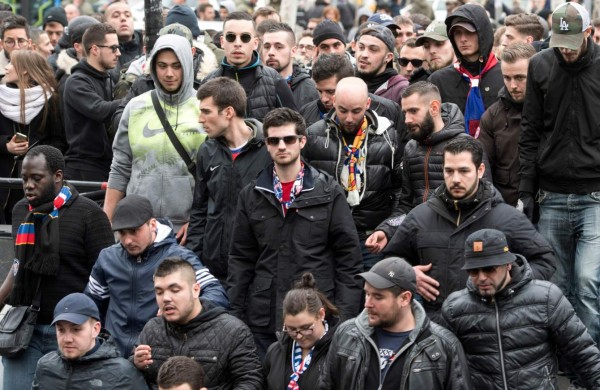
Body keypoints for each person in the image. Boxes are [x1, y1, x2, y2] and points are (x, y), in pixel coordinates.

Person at [228, 108, 363, 358]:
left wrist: (343, 318)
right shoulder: (251, 194)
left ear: (302, 141)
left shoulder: (328, 192)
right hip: (264, 317)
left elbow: (348, 260)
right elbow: (240, 259)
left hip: (315, 314)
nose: (282, 146)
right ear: (266, 144)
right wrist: (235, 316)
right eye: (274, 140)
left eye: (289, 139)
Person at [383, 137, 556, 322]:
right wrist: (407, 275)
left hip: (492, 328)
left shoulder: (507, 218)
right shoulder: (420, 217)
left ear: (480, 170)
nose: (455, 179)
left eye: (464, 171)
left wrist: (508, 283)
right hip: (437, 331)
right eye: (449, 171)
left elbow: (544, 260)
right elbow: (389, 262)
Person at [519, 1, 600, 352]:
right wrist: (526, 191)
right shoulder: (540, 65)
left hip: (595, 192)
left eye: (571, 45)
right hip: (550, 192)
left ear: (589, 34)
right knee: (556, 285)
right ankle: (564, 360)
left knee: (587, 282)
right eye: (559, 45)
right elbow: (530, 130)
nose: (565, 54)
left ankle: (590, 364)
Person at [0, 145, 114, 390]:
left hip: (71, 332)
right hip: (25, 331)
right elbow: (19, 265)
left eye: (36, 178)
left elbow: (108, 277)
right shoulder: (21, 210)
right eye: (24, 179)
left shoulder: (89, 214)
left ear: (58, 176)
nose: (28, 185)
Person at [442, 229, 600, 390]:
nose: (482, 277)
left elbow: (582, 354)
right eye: (474, 271)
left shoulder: (546, 298)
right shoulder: (455, 308)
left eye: (489, 269)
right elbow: (444, 370)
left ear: (508, 264)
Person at [86, 194, 228, 357]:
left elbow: (217, 294)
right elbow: (91, 304)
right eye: (122, 233)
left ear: (152, 224)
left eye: (134, 231)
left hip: (159, 355)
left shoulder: (179, 257)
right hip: (111, 356)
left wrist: (183, 310)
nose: (128, 240)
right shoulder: (107, 258)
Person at [105, 34, 206, 243]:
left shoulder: (204, 108)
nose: (169, 73)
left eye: (177, 66)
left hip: (185, 231)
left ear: (187, 64)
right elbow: (120, 167)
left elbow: (215, 176)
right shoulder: (135, 107)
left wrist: (198, 221)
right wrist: (108, 218)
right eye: (162, 65)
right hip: (137, 227)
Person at [319, 257, 473, 390]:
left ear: (404, 298)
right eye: (367, 294)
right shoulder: (346, 334)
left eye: (378, 297)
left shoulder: (443, 345)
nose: (367, 304)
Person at [303, 77, 402, 271]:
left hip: (371, 238)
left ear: (367, 104)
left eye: (356, 111)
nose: (349, 118)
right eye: (342, 110)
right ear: (334, 103)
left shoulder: (388, 136)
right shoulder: (313, 135)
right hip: (326, 238)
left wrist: (388, 228)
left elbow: (400, 191)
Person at [366, 81, 476, 249]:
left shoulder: (466, 145)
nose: (407, 119)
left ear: (434, 108)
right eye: (405, 112)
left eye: (414, 111)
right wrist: (387, 230)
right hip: (420, 241)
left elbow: (481, 201)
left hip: (456, 243)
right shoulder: (411, 148)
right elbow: (406, 205)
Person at [186, 77, 271, 284]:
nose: (200, 119)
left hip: (255, 270)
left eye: (206, 112)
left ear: (228, 112)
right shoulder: (207, 151)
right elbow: (199, 210)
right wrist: (193, 262)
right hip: (213, 268)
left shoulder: (269, 150)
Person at [132, 258, 264, 389]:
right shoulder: (152, 328)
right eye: (159, 292)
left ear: (196, 290)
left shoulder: (234, 331)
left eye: (175, 290)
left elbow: (251, 381)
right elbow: (130, 377)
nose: (166, 298)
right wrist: (135, 363)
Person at [0, 51, 66, 224]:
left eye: (11, 64)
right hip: (4, 179)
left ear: (24, 70)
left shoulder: (51, 99)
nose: (6, 68)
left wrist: (38, 154)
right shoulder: (1, 97)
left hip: (37, 180)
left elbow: (59, 139)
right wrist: (6, 145)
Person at [31, 293, 147, 389]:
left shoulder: (123, 373)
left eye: (76, 330)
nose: (67, 339)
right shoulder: (46, 366)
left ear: (95, 329)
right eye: (61, 330)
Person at [201, 12, 297, 122]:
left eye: (245, 37)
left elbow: (293, 127)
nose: (237, 43)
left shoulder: (274, 80)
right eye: (231, 37)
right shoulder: (208, 82)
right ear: (222, 42)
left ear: (255, 43)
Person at [429, 4, 504, 135]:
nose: (463, 39)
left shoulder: (505, 75)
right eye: (457, 33)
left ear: (483, 33)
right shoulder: (438, 80)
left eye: (469, 32)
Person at [477, 43, 536, 207]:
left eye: (520, 78)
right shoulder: (493, 116)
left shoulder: (552, 108)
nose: (513, 86)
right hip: (507, 205)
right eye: (507, 78)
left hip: (548, 203)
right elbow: (483, 164)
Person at [63, 23, 122, 181]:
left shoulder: (108, 78)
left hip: (108, 164)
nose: (119, 53)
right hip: (84, 167)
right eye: (113, 48)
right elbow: (100, 110)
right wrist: (134, 100)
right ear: (95, 49)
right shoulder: (76, 82)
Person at [264, 273, 340, 389]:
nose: (299, 336)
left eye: (306, 328)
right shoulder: (275, 352)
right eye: (291, 329)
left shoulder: (339, 351)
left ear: (321, 314)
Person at [300, 54, 402, 137]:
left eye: (331, 91)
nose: (324, 99)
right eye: (319, 91)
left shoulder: (388, 110)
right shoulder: (306, 114)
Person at [261, 22, 319, 109]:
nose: (271, 52)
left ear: (293, 51)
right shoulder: (252, 83)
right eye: (267, 47)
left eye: (279, 47)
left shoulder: (310, 89)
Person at [355, 23, 409, 105]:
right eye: (361, 48)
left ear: (388, 57)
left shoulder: (401, 90)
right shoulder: (346, 81)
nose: (364, 54)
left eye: (373, 49)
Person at [103, 1, 143, 80]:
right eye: (116, 16)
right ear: (105, 23)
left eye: (127, 15)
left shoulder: (148, 44)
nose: (123, 18)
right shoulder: (102, 50)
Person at [0, 15, 31, 81]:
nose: (16, 47)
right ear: (1, 44)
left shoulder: (41, 69)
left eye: (21, 41)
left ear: (29, 43)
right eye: (10, 42)